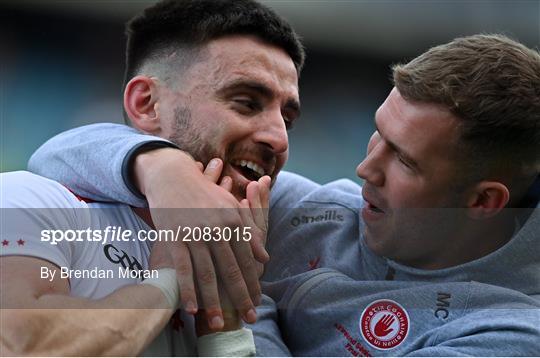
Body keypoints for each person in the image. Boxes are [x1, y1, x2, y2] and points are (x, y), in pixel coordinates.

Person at [29, 34, 540, 355]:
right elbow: (56, 155)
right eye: (377, 133)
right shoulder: (318, 210)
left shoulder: (508, 334)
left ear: (483, 202)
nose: (366, 168)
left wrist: (239, 309)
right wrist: (160, 168)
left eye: (403, 160)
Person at [0, 0, 305, 355]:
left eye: (288, 119)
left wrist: (224, 333)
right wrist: (164, 284)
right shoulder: (34, 202)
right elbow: (20, 345)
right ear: (147, 104)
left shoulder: (249, 272)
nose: (279, 138)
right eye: (246, 102)